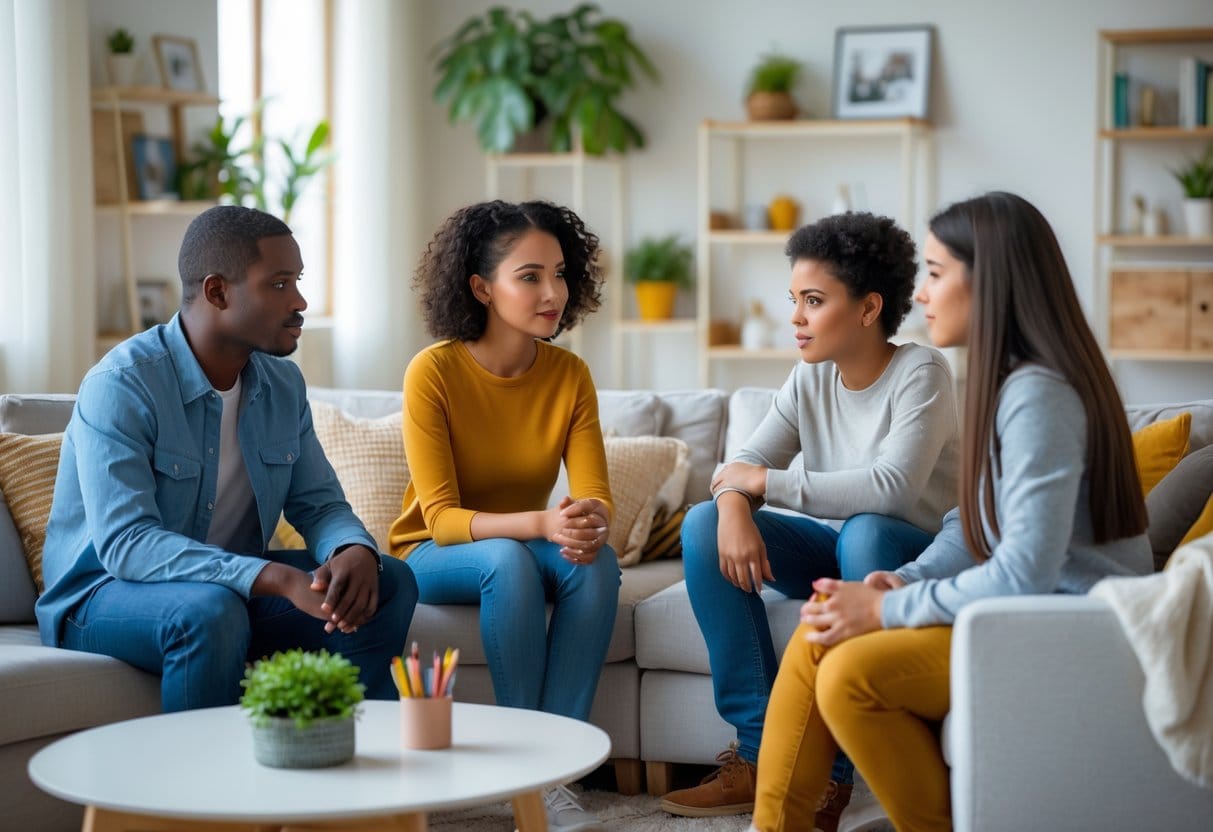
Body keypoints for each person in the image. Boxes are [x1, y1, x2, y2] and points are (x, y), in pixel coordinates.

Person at [749, 192, 1153, 832]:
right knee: (820, 630)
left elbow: (1021, 570)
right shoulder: (1015, 385)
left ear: (988, 280)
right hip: (1035, 620)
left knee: (850, 671)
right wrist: (902, 581)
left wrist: (884, 608)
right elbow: (974, 529)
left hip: (1073, 635)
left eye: (936, 274)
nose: (924, 295)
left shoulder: (1038, 395)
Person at [36, 205, 419, 711]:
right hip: (106, 596)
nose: (301, 301)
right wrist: (276, 578)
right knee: (210, 611)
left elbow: (318, 504)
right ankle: (204, 789)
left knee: (387, 581)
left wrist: (352, 549)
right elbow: (128, 544)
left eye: (297, 281)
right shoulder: (122, 384)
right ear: (217, 292)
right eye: (279, 284)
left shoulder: (283, 384)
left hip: (227, 589)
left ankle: (349, 765)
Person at [662, 212, 960, 830]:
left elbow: (893, 491)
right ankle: (755, 752)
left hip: (903, 556)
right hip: (836, 547)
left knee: (868, 529)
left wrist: (761, 484)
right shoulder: (809, 376)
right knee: (700, 525)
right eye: (794, 300)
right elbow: (740, 464)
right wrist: (734, 506)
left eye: (814, 301)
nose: (795, 317)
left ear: (869, 308)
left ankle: (834, 776)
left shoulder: (922, 373)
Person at [389, 199, 620, 832]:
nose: (553, 292)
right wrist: (542, 524)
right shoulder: (432, 371)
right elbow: (439, 520)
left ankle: (558, 770)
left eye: (561, 273)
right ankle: (528, 774)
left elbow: (594, 491)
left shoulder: (570, 375)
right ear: (481, 287)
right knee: (508, 560)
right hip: (434, 554)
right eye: (530, 276)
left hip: (517, 541)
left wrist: (587, 520)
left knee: (595, 566)